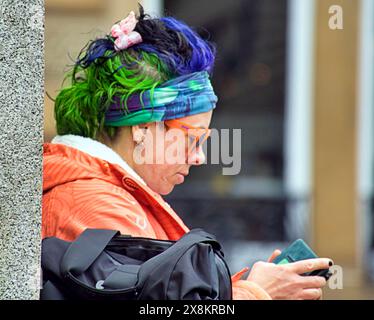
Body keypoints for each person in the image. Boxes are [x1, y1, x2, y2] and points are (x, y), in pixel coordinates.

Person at [43, 5, 331, 300]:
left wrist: (249, 286)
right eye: (192, 139)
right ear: (142, 127)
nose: (199, 157)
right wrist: (256, 292)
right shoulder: (92, 202)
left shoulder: (104, 193)